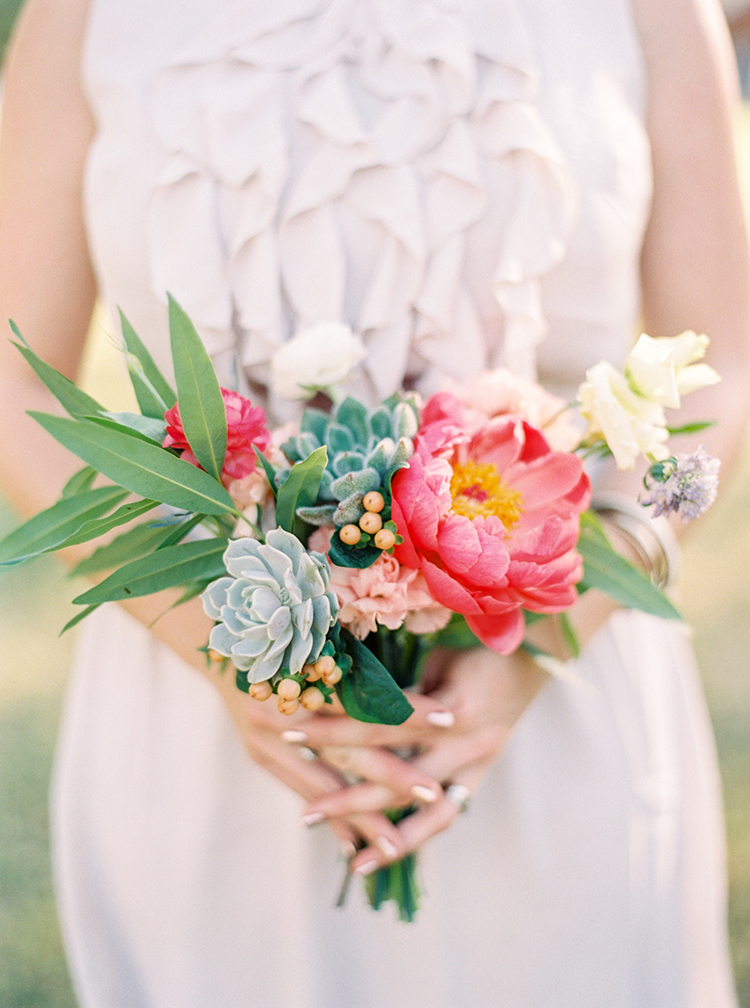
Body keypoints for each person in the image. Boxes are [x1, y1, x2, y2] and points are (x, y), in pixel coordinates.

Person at [0, 0, 748, 1004]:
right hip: (202, 740)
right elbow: (16, 381)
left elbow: (725, 368)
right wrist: (226, 650)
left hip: (554, 724)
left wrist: (553, 639)